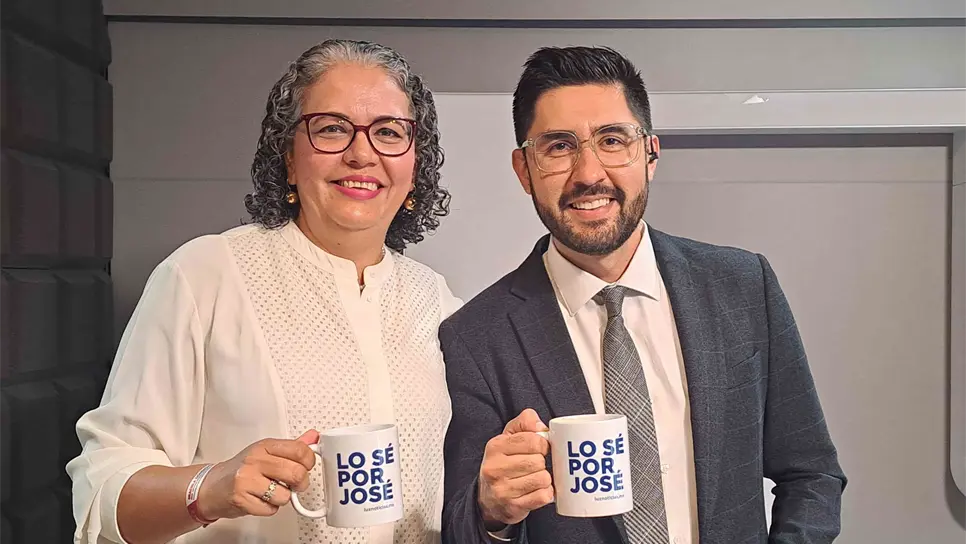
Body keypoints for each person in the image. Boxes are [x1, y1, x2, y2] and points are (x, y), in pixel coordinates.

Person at [440, 46, 846, 544]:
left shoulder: (743, 286)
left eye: (612, 140)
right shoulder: (475, 336)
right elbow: (462, 530)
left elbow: (812, 473)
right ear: (524, 169)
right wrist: (492, 515)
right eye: (559, 147)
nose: (589, 173)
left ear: (650, 154)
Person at [67, 39, 461, 544]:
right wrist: (208, 489)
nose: (362, 153)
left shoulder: (440, 302)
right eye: (332, 129)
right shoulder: (205, 275)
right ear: (289, 157)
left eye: (389, 132)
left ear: (414, 167)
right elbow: (101, 489)